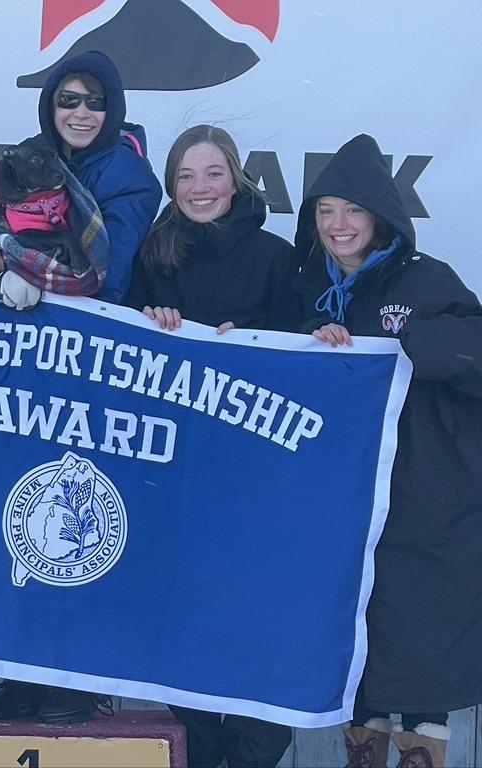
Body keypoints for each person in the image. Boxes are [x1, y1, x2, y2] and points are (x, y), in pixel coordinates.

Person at [295, 134, 482, 768]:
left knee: (423, 650)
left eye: (353, 210)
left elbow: (473, 349)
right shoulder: (310, 291)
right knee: (360, 653)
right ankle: (363, 752)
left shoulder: (425, 279)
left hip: (425, 500)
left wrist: (416, 346)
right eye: (326, 211)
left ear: (381, 216)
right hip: (345, 505)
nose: (339, 225)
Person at [126, 125, 297, 767]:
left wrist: (259, 341)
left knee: (256, 616)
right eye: (187, 176)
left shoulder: (277, 257)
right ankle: (202, 741)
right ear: (171, 186)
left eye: (214, 173)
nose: (201, 188)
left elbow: (306, 345)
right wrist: (152, 324)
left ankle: (252, 750)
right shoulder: (153, 253)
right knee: (177, 612)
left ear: (237, 179)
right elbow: (121, 351)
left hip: (256, 475)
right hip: (176, 473)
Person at [0, 49, 161, 308]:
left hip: (83, 324)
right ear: (51, 105)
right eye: (68, 100)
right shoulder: (23, 158)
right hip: (8, 322)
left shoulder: (130, 176)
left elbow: (106, 277)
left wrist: (8, 261)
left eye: (96, 101)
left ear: (112, 109)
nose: (81, 113)